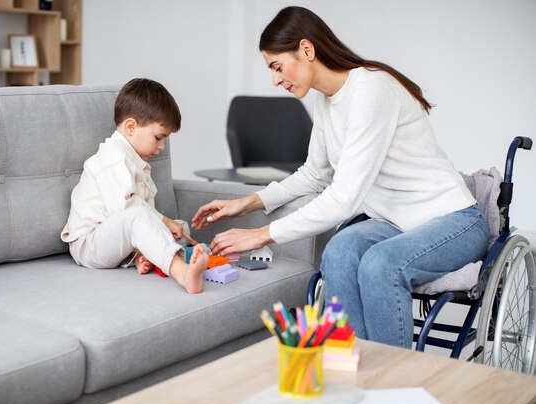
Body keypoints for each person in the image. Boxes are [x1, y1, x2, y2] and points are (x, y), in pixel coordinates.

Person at [192, 6, 488, 346]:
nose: (275, 80)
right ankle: (354, 368)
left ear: (306, 50)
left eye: (277, 67)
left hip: (453, 222)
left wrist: (262, 235)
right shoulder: (327, 101)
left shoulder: (370, 90)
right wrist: (247, 203)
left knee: (380, 265)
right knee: (339, 253)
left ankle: (391, 380)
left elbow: (343, 196)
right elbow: (315, 174)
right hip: (395, 222)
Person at [61, 78, 209, 294]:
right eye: (159, 137)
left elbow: (139, 214)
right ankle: (182, 273)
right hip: (89, 244)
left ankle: (146, 256)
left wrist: (168, 225)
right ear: (131, 127)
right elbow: (126, 211)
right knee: (146, 219)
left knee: (180, 228)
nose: (162, 147)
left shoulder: (136, 161)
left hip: (116, 236)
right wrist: (163, 222)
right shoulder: (113, 158)